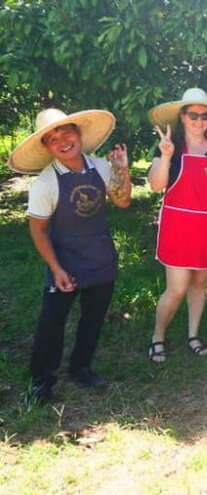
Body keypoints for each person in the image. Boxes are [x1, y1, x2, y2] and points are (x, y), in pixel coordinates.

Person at [9, 108, 131, 402]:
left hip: (100, 258)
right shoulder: (46, 184)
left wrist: (123, 170)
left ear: (78, 133)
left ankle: (81, 367)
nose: (62, 140)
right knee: (52, 321)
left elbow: (123, 201)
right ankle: (41, 381)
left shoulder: (101, 167)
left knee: (93, 318)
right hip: (64, 263)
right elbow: (38, 231)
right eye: (52, 138)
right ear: (47, 147)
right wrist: (56, 268)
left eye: (66, 132)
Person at [146, 88, 207, 362]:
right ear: (183, 117)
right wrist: (165, 157)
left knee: (200, 282)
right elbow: (155, 185)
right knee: (176, 288)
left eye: (204, 116)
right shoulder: (169, 145)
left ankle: (193, 335)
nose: (199, 121)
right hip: (178, 224)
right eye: (193, 115)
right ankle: (158, 336)